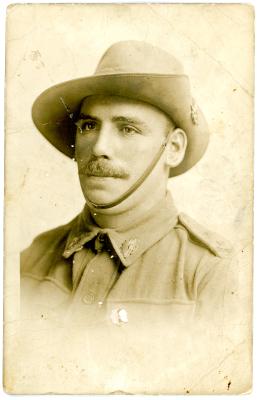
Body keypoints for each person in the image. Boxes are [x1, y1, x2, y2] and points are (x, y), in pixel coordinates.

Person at [20, 40, 232, 329]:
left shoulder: (213, 274)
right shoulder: (32, 258)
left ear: (173, 148)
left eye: (127, 129)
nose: (99, 147)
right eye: (89, 126)